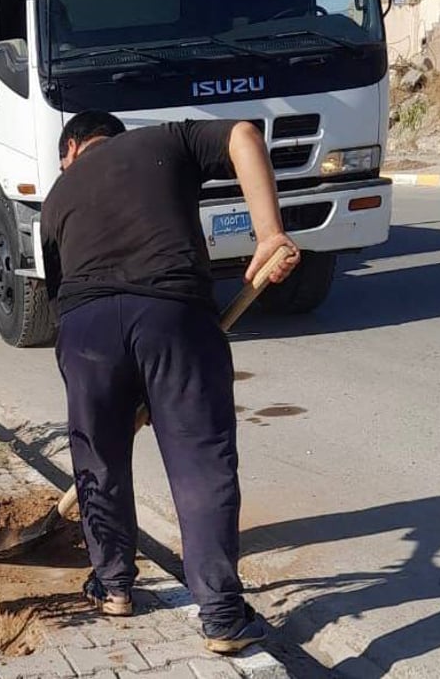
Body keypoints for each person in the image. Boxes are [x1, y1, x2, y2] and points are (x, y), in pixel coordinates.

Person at [40, 112, 300, 654]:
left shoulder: (57, 196)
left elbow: (60, 296)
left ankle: (112, 587)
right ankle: (223, 617)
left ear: (71, 150)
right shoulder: (166, 140)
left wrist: (118, 379)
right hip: (172, 316)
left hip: (85, 332)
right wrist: (269, 232)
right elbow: (245, 134)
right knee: (200, 464)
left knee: (99, 460)